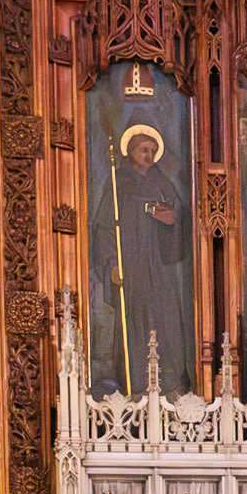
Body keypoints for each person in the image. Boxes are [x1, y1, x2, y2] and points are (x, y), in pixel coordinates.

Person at [89, 122, 192, 396]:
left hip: (159, 267)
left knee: (165, 318)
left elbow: (180, 216)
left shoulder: (161, 182)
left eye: (152, 151)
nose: (148, 155)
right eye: (143, 149)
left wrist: (172, 219)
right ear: (131, 151)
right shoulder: (118, 184)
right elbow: (104, 228)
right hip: (131, 266)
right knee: (135, 320)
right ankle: (134, 384)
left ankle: (170, 382)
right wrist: (112, 263)